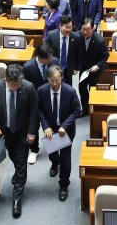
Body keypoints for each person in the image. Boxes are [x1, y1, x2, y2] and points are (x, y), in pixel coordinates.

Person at [0, 64, 38, 218]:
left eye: (19, 83)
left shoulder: (28, 87)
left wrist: (32, 132)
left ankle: (16, 199)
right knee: (13, 157)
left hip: (23, 132)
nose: (17, 87)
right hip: (5, 132)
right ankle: (18, 175)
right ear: (6, 80)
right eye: (14, 84)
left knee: (21, 163)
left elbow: (34, 111)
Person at [37, 65, 81, 201]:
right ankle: (55, 163)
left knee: (65, 158)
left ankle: (64, 185)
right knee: (52, 153)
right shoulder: (41, 91)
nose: (54, 83)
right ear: (47, 79)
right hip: (50, 129)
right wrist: (45, 126)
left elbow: (77, 111)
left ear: (61, 77)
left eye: (57, 80)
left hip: (65, 130)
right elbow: (39, 110)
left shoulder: (70, 91)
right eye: (51, 80)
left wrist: (65, 126)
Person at [23, 42, 59, 165]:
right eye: (48, 58)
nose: (51, 60)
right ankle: (34, 150)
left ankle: (54, 151)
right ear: (41, 58)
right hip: (34, 102)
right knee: (33, 125)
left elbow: (59, 79)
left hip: (51, 100)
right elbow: (26, 87)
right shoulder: (28, 67)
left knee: (51, 126)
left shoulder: (54, 61)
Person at [78, 18, 109, 114]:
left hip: (95, 70)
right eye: (83, 29)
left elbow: (105, 56)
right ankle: (85, 109)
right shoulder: (78, 36)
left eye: (87, 29)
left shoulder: (100, 40)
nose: (85, 32)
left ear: (93, 28)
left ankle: (94, 110)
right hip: (84, 69)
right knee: (82, 88)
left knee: (93, 89)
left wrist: (97, 66)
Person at [45, 15, 81, 85]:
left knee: (68, 87)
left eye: (70, 27)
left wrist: (77, 67)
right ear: (60, 26)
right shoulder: (51, 35)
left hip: (68, 68)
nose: (69, 30)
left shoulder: (76, 37)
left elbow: (78, 53)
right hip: (54, 67)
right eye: (66, 27)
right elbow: (46, 50)